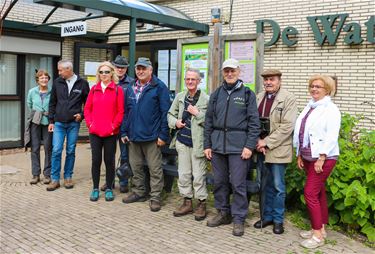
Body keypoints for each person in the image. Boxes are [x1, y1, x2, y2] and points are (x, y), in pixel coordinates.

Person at [204, 58, 260, 236]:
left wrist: (249, 146)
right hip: (218, 145)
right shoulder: (216, 94)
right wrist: (207, 144)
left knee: (238, 184)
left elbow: (254, 123)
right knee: (219, 182)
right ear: (222, 73)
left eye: (232, 71)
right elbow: (208, 121)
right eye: (226, 71)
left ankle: (238, 218)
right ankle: (223, 213)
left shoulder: (247, 94)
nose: (229, 74)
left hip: (239, 147)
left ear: (239, 72)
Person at [293, 75, 341, 249]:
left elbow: (331, 136)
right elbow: (302, 133)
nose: (314, 89)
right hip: (307, 157)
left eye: (318, 87)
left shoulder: (331, 109)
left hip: (323, 158)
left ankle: (318, 236)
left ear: (327, 89)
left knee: (310, 193)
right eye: (312, 86)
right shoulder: (310, 106)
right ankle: (321, 228)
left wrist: (322, 157)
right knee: (319, 192)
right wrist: (299, 154)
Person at [121, 57, 171, 212]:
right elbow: (126, 112)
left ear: (151, 70)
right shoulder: (130, 87)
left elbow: (165, 113)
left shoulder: (159, 87)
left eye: (144, 68)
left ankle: (155, 197)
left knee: (155, 169)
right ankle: (139, 192)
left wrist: (163, 135)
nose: (140, 71)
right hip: (133, 136)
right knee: (136, 167)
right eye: (138, 68)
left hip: (152, 137)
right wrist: (123, 130)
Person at [253, 69, 298, 234]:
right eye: (265, 80)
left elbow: (287, 126)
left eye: (271, 79)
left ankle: (278, 220)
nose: (268, 83)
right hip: (260, 149)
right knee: (263, 185)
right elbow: (253, 121)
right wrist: (258, 140)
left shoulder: (289, 99)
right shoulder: (258, 97)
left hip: (278, 149)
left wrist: (267, 142)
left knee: (278, 186)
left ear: (279, 81)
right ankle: (267, 217)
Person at [168, 68, 209, 221]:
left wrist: (197, 113)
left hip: (198, 144)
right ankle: (187, 202)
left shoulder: (205, 99)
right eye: (188, 79)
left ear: (199, 81)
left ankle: (201, 203)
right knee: (184, 174)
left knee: (198, 175)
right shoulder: (179, 97)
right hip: (182, 142)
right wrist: (175, 122)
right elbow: (170, 114)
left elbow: (210, 122)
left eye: (193, 79)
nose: (190, 82)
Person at [84, 61, 124, 201]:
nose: (104, 75)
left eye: (107, 72)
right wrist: (90, 124)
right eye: (101, 72)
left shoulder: (118, 90)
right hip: (95, 132)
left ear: (112, 73)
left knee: (109, 161)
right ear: (98, 74)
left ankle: (109, 188)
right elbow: (87, 109)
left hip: (110, 133)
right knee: (96, 160)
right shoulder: (93, 89)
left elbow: (120, 111)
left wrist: (114, 126)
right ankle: (95, 188)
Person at [47, 60, 90, 191]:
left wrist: (81, 115)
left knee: (71, 151)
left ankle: (68, 177)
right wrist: (51, 121)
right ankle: (54, 179)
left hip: (73, 124)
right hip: (59, 123)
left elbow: (88, 104)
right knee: (56, 150)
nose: (59, 72)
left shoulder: (82, 83)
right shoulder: (57, 82)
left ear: (69, 69)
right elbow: (52, 102)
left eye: (61, 70)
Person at [100, 55, 135, 193]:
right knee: (109, 155)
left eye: (123, 67)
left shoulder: (132, 83)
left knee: (125, 155)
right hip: (109, 124)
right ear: (113, 67)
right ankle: (109, 182)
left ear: (126, 68)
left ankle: (123, 181)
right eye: (118, 67)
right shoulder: (108, 82)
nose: (120, 69)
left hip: (124, 125)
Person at [27, 69, 52, 185]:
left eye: (46, 77)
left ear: (48, 80)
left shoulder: (52, 92)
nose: (44, 79)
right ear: (37, 80)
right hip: (35, 122)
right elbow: (29, 105)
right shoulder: (32, 92)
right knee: (35, 148)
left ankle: (47, 174)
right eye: (41, 78)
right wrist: (37, 114)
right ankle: (35, 174)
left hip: (48, 122)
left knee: (48, 148)